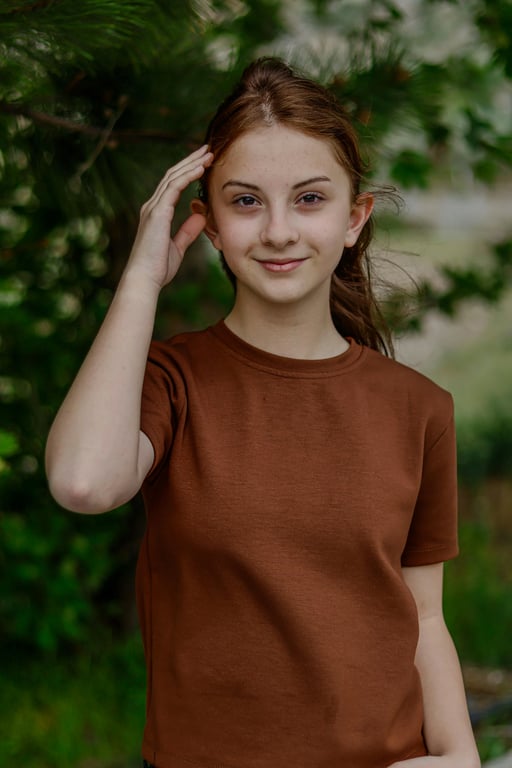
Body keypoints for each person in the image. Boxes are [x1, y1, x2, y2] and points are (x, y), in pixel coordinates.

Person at [45, 58, 480, 768]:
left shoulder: (420, 408)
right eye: (246, 202)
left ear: (354, 217)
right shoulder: (169, 382)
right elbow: (84, 483)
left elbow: (423, 615)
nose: (278, 231)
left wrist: (461, 758)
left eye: (309, 199)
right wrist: (139, 279)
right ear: (209, 225)